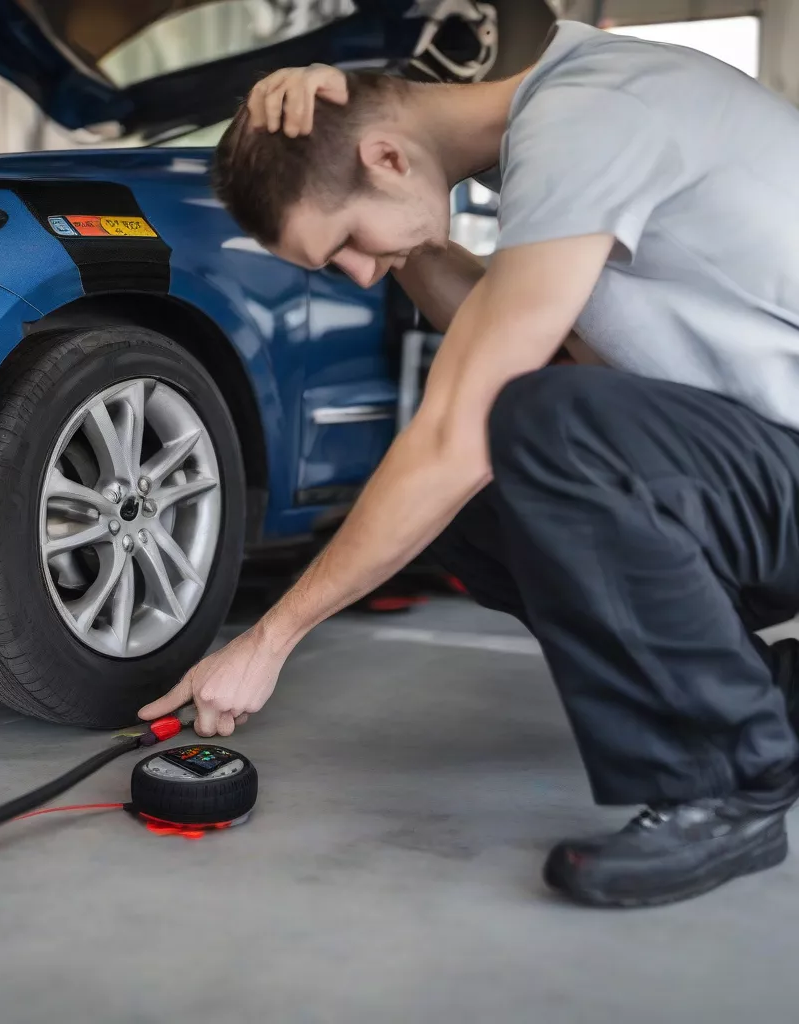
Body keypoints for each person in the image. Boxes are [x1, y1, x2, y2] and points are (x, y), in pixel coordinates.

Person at [140, 20, 799, 907]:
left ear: (385, 157)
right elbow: (517, 325)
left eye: (345, 243)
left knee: (532, 428)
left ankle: (728, 783)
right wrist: (389, 226)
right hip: (767, 465)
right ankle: (761, 702)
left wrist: (269, 638)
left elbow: (468, 420)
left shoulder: (589, 115)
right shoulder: (547, 137)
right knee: (479, 502)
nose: (360, 275)